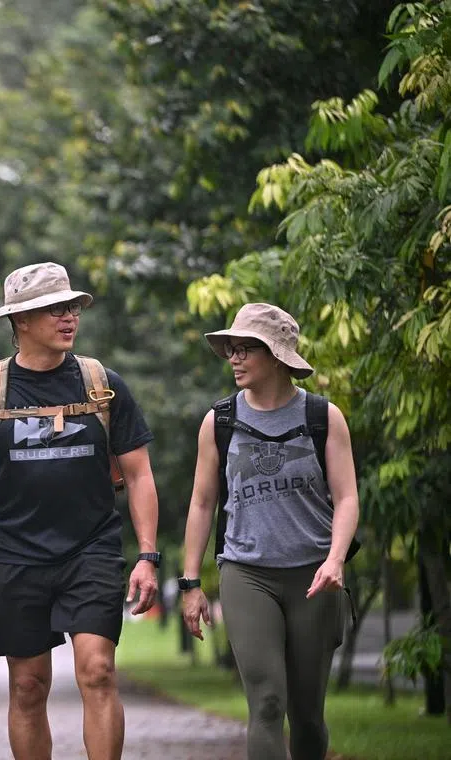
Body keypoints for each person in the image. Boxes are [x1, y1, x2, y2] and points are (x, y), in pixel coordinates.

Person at [0, 261, 161, 760]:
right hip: (16, 556)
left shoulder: (102, 384)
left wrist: (148, 555)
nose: (69, 318)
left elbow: (141, 474)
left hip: (92, 550)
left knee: (98, 671)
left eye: (71, 307)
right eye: (54, 309)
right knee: (28, 686)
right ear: (20, 321)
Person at [179, 302, 358, 760]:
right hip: (247, 573)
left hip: (314, 577)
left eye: (245, 350)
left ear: (276, 356)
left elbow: (348, 498)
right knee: (267, 703)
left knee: (307, 714)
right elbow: (202, 504)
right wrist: (191, 584)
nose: (234, 359)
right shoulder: (218, 422)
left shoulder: (323, 417)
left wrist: (335, 559)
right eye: (231, 350)